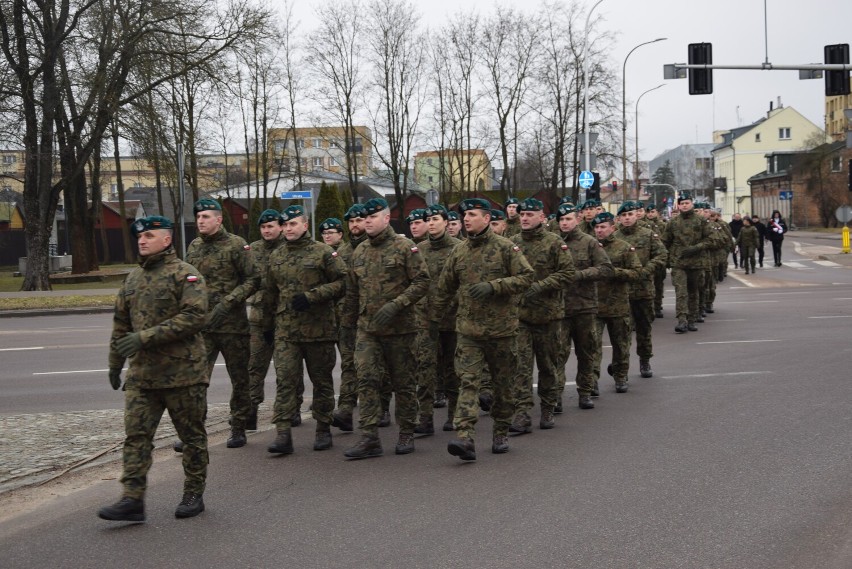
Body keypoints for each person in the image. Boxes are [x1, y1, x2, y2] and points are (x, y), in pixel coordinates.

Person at [99, 216, 209, 522]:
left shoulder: (186, 275)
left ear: (167, 239)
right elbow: (121, 325)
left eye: (149, 235)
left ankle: (193, 493)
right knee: (136, 437)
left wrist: (144, 338)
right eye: (140, 237)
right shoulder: (132, 279)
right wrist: (114, 363)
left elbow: (195, 316)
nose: (142, 240)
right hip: (143, 376)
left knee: (192, 437)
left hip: (183, 374)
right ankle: (132, 499)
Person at [433, 198, 534, 460]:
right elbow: (444, 289)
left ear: (487, 219)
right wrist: (431, 320)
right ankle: (465, 437)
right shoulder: (459, 251)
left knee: (503, 386)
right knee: (468, 383)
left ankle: (500, 431)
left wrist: (495, 286)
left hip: (501, 331)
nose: (466, 219)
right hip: (468, 332)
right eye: (464, 215)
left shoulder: (505, 247)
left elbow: (526, 277)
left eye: (472, 214)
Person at [341, 198, 430, 458]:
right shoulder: (359, 252)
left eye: (372, 217)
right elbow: (352, 293)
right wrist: (347, 325)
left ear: (386, 218)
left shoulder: (405, 248)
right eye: (364, 218)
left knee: (403, 382)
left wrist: (397, 304)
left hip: (401, 330)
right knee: (366, 379)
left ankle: (406, 433)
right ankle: (369, 437)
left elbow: (422, 281)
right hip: (367, 329)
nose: (367, 221)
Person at [262, 205, 347, 454]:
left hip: (318, 331)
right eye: (285, 225)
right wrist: (268, 327)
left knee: (321, 381)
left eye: (293, 224)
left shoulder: (323, 253)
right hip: (286, 331)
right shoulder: (276, 256)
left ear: (305, 225)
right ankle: (283, 434)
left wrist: (314, 296)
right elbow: (269, 294)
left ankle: (323, 429)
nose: (288, 229)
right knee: (285, 380)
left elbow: (343, 282)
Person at [184, 198, 259, 449]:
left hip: (232, 326)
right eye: (198, 217)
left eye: (206, 217)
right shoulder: (194, 246)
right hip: (202, 327)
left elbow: (252, 279)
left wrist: (228, 302)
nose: (200, 221)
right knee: (195, 380)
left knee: (239, 379)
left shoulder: (236, 245)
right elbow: (187, 280)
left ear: (219, 219)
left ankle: (238, 427)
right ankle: (193, 434)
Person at [509, 198, 574, 433]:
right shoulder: (513, 243)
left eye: (529, 214)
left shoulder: (554, 243)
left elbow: (568, 273)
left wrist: (542, 285)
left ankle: (547, 408)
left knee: (548, 366)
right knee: (521, 367)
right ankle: (522, 414)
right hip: (521, 317)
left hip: (549, 316)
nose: (524, 218)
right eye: (522, 214)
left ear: (541, 217)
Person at [555, 202, 613, 410]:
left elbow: (606, 269)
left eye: (568, 219)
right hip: (559, 308)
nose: (564, 223)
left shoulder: (589, 242)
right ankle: (555, 396)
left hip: (585, 307)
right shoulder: (553, 243)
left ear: (577, 220)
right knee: (558, 354)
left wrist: (580, 275)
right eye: (561, 219)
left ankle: (585, 391)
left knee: (586, 352)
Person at [413, 204, 462, 434]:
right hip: (424, 320)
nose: (430, 223)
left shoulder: (460, 248)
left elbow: (464, 283)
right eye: (428, 220)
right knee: (425, 368)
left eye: (435, 219)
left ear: (445, 221)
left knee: (453, 369)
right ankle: (425, 417)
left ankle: (454, 415)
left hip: (452, 319)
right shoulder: (419, 249)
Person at [615, 202, 667, 379]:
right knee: (623, 331)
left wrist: (647, 270)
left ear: (636, 215)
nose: (627, 218)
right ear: (619, 218)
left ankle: (645, 360)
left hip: (644, 290)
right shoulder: (614, 237)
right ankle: (622, 367)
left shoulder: (648, 235)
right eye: (624, 215)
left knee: (644, 328)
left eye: (630, 214)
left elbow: (662, 255)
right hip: (621, 292)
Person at [592, 211, 641, 393]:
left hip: (617, 304)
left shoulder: (624, 247)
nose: (599, 230)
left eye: (603, 227)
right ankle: (592, 380)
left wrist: (615, 272)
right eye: (596, 227)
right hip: (594, 305)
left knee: (621, 344)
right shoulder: (590, 247)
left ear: (612, 228)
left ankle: (620, 376)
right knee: (592, 345)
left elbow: (636, 273)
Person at [246, 210, 285, 431]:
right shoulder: (253, 250)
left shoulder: (288, 248)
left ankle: (287, 411)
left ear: (280, 226)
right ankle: (251, 411)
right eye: (263, 227)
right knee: (254, 366)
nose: (267, 231)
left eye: (271, 226)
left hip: (283, 317)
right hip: (259, 318)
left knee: (286, 369)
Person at [332, 205, 369, 432]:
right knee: (348, 364)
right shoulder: (342, 253)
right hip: (346, 318)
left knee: (371, 367)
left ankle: (378, 408)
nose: (355, 225)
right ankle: (345, 409)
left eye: (359, 220)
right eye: (351, 221)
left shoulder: (372, 248)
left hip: (371, 318)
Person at [661, 193, 713, 333]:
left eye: (687, 203)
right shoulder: (673, 222)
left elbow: (711, 240)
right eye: (682, 203)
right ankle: (682, 320)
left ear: (692, 204)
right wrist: (664, 259)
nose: (684, 205)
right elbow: (665, 241)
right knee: (681, 292)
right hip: (679, 262)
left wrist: (696, 248)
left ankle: (692, 319)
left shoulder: (701, 221)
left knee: (693, 291)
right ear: (678, 205)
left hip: (696, 262)